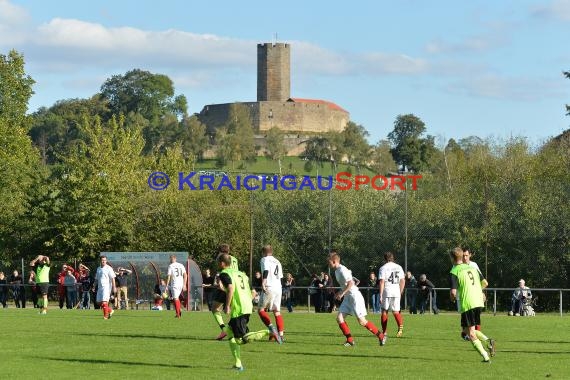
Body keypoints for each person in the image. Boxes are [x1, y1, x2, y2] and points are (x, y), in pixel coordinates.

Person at [217, 253, 278, 371]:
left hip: (239, 309)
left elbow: (230, 288)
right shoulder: (242, 274)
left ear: (222, 263)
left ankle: (268, 332)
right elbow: (253, 292)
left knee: (240, 339)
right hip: (247, 305)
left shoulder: (224, 274)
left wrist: (227, 306)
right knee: (229, 332)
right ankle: (238, 364)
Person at [328, 251, 384, 347]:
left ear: (334, 261)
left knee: (362, 321)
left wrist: (342, 294)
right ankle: (350, 340)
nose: (328, 264)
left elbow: (351, 283)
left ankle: (381, 336)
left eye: (328, 262)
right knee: (339, 318)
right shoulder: (337, 271)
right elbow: (345, 284)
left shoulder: (342, 270)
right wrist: (340, 292)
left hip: (354, 297)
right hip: (348, 297)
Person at [449, 247, 495, 362]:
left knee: (471, 334)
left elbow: (453, 293)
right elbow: (484, 282)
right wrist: (478, 291)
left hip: (468, 303)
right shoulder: (472, 268)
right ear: (461, 257)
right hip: (478, 301)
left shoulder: (455, 271)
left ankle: (486, 357)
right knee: (465, 330)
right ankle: (488, 341)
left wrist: (452, 298)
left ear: (452, 259)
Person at [211, 244, 238, 340]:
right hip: (235, 285)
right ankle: (231, 330)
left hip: (225, 285)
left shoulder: (220, 258)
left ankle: (224, 329)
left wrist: (219, 282)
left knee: (214, 308)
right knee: (234, 310)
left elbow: (220, 271)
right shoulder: (235, 259)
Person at [258, 245, 285, 340]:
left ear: (264, 252)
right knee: (277, 311)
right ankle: (281, 335)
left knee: (261, 310)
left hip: (269, 286)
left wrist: (264, 281)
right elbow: (281, 276)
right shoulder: (277, 261)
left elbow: (265, 270)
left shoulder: (264, 259)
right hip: (278, 287)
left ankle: (272, 329)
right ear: (271, 252)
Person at [378, 252, 405, 342]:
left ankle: (384, 332)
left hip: (387, 291)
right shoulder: (399, 267)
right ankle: (400, 328)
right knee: (396, 311)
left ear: (385, 259)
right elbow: (402, 281)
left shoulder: (383, 268)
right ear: (393, 258)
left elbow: (382, 282)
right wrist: (400, 292)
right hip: (396, 291)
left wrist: (381, 295)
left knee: (384, 311)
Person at [462, 247, 488, 332]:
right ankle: (467, 333)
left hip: (475, 296)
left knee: (476, 316)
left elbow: (481, 280)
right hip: (465, 296)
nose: (465, 258)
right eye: (463, 255)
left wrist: (481, 291)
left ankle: (473, 334)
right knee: (465, 316)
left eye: (466, 255)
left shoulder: (474, 265)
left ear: (470, 255)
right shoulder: (459, 266)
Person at [95, 255, 116, 319]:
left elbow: (113, 278)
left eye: (104, 260)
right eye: (102, 260)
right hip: (100, 288)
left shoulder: (109, 268)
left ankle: (106, 316)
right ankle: (110, 310)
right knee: (98, 302)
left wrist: (114, 287)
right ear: (100, 261)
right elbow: (96, 279)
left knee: (104, 302)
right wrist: (94, 286)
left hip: (106, 288)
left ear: (106, 261)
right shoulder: (98, 268)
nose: (103, 261)